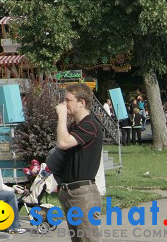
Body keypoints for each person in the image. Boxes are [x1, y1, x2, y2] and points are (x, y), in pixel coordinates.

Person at [55, 82, 104, 242]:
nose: (64, 104)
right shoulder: (77, 125)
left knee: (88, 239)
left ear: (82, 102)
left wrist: (61, 116)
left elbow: (63, 142)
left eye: (68, 100)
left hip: (83, 194)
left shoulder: (90, 124)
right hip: (71, 192)